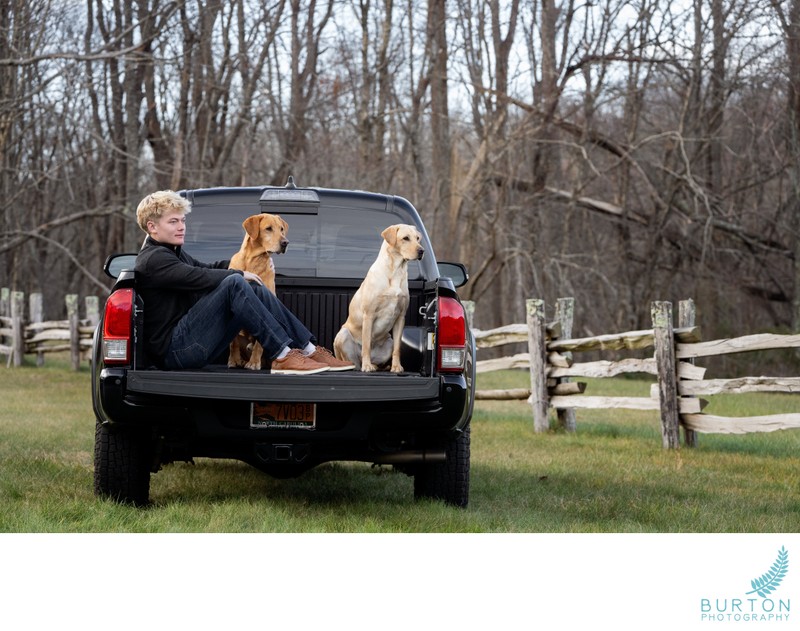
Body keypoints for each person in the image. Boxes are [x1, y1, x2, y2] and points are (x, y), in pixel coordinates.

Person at [133, 190, 353, 374]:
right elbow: (198, 277)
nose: (181, 226)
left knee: (252, 286)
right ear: (152, 227)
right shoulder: (154, 259)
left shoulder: (173, 252)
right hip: (177, 352)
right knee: (235, 282)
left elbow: (206, 268)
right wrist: (239, 274)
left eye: (182, 220)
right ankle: (282, 354)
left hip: (194, 344)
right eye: (173, 222)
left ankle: (308, 348)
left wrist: (243, 263)